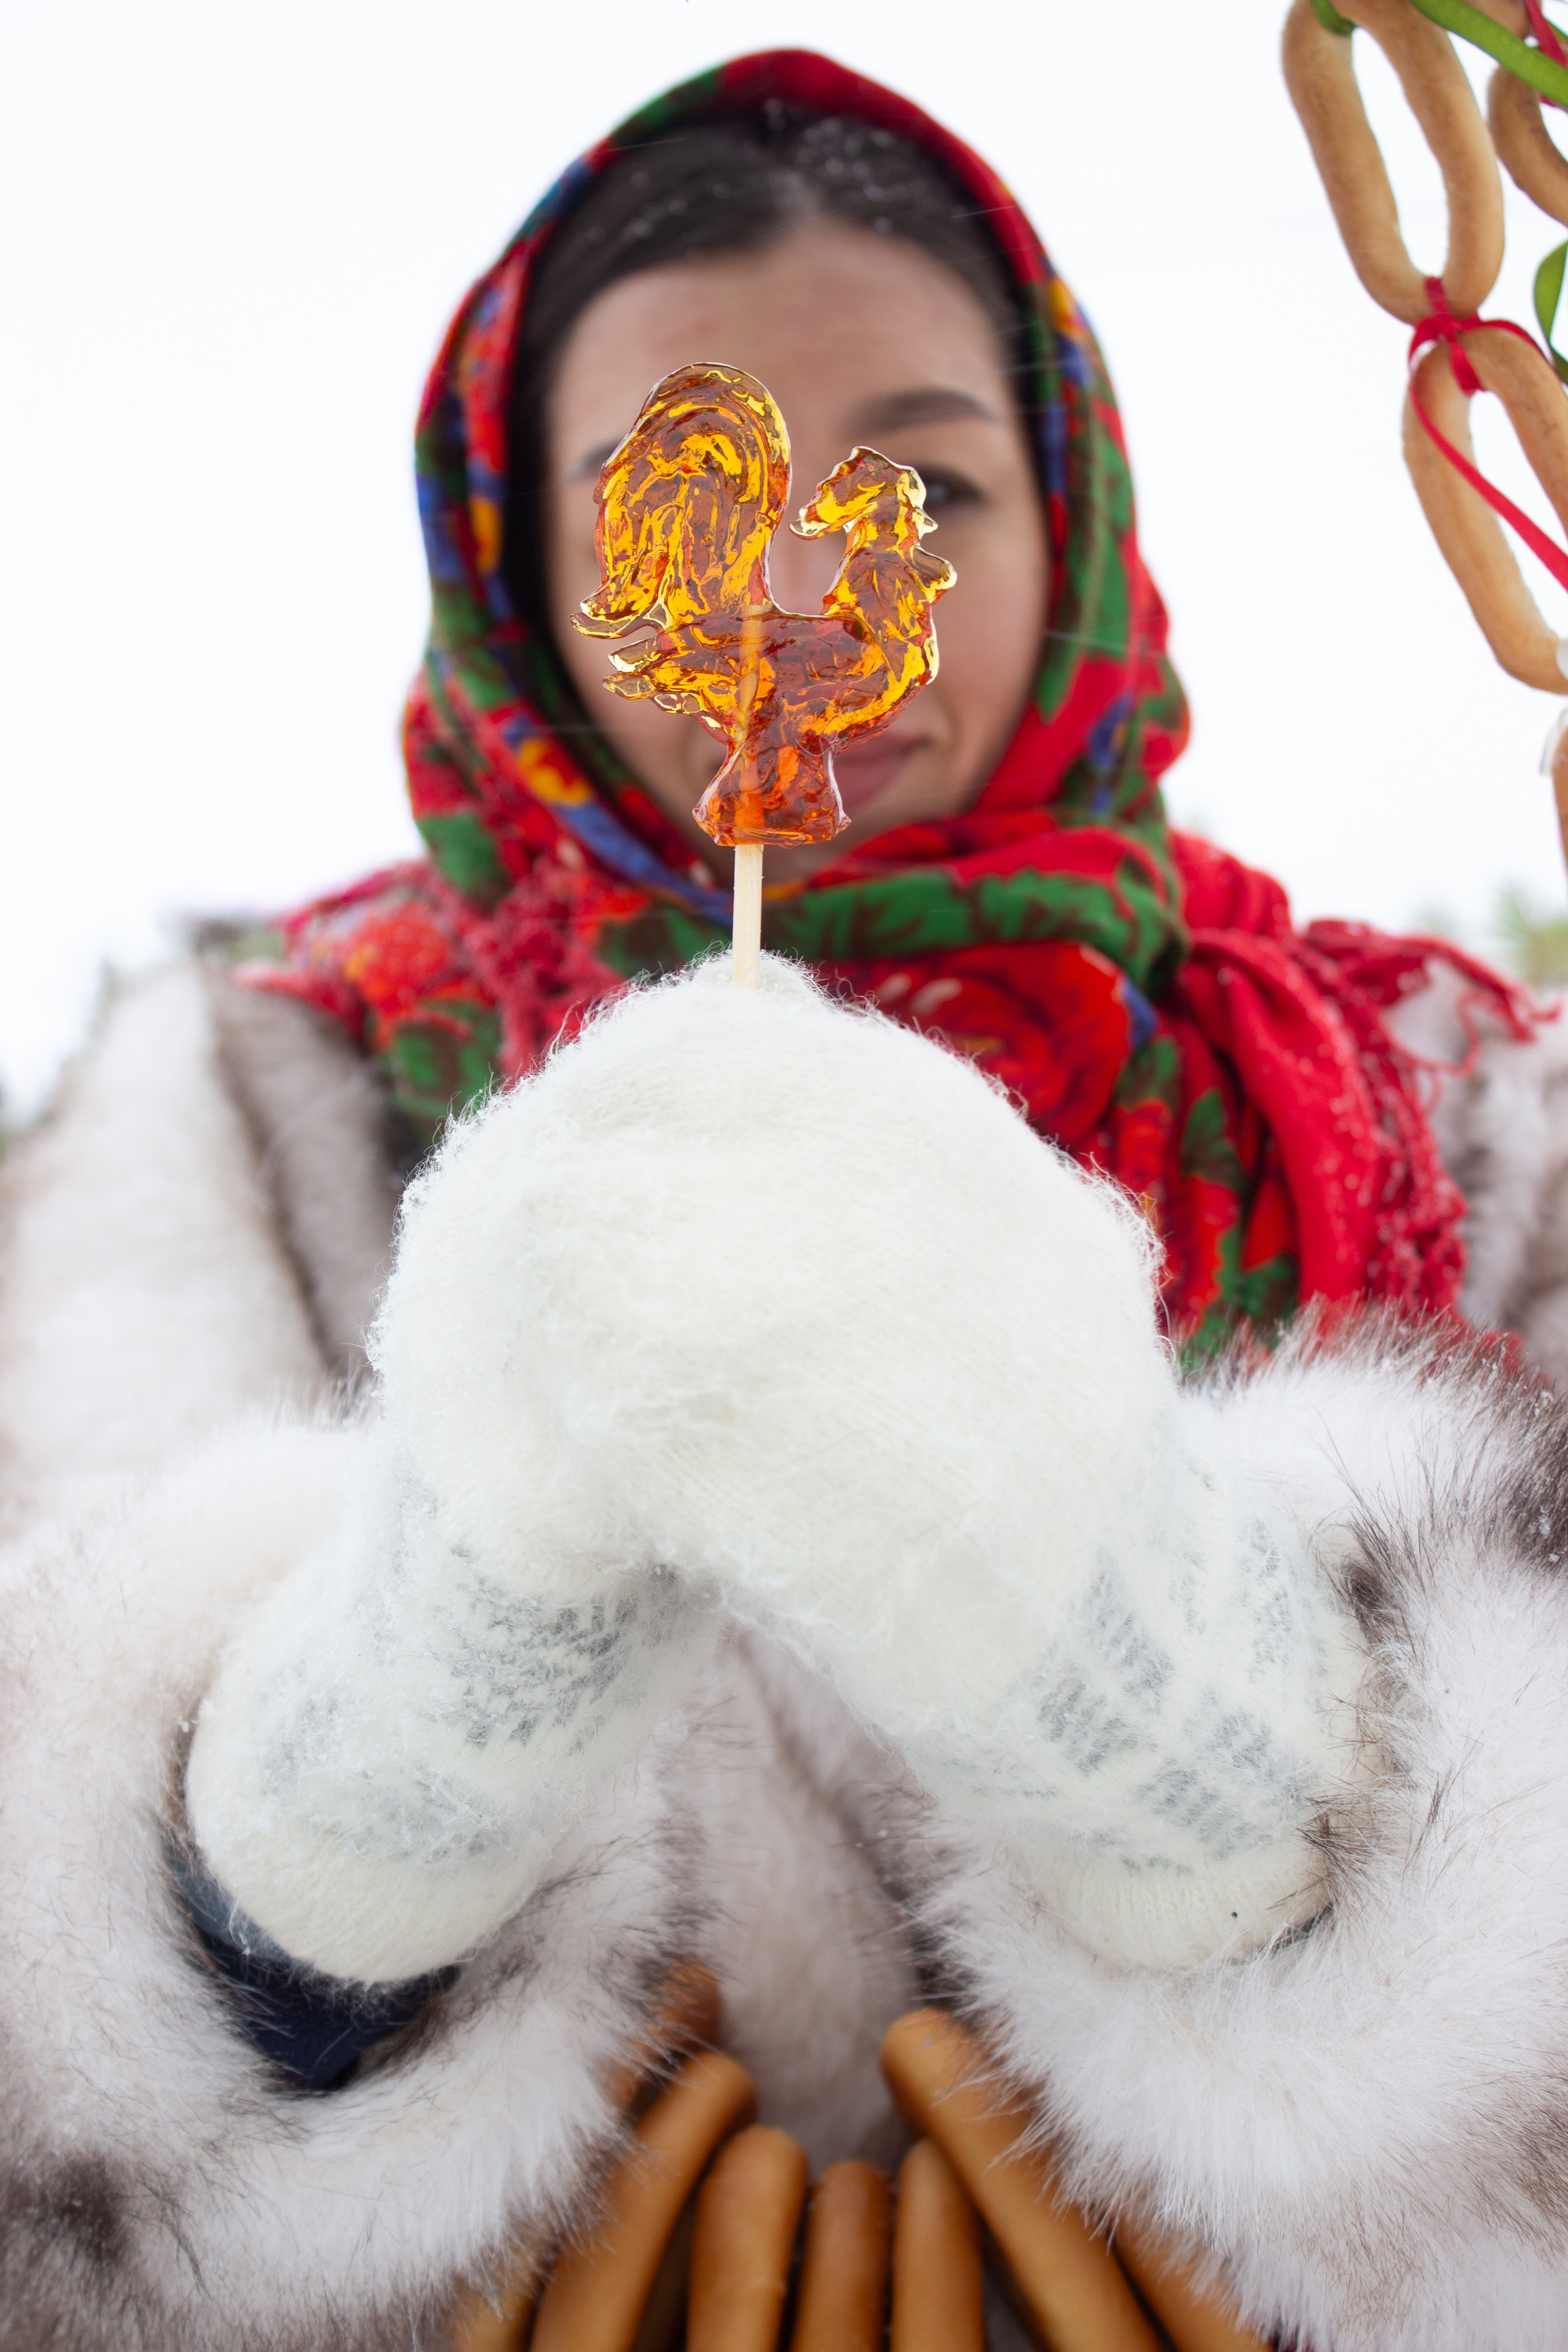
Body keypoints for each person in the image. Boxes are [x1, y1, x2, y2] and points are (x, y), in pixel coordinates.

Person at [5, 45, 1568, 2352]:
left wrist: (1167, 1704)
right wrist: (388, 1743)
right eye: (684, 513)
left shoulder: (1442, 1105)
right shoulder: (254, 1105)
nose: (822, 600)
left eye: (923, 493)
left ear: (1070, 517)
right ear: (529, 583)